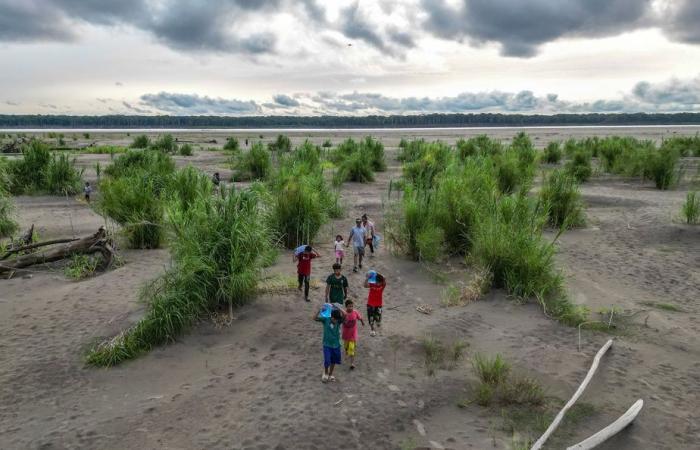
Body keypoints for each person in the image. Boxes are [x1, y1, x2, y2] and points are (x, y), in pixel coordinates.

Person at [314, 305, 345, 383]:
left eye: (336, 319)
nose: (335, 321)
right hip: (327, 344)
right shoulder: (326, 320)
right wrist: (319, 310)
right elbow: (314, 318)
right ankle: (326, 373)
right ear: (331, 317)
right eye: (334, 319)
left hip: (336, 345)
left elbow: (345, 315)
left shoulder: (338, 321)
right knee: (327, 360)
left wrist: (338, 308)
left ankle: (331, 374)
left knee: (333, 360)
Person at [341, 299, 364, 370]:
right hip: (345, 334)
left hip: (353, 335)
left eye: (351, 306)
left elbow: (360, 318)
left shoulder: (355, 312)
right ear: (346, 307)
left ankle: (352, 363)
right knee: (346, 347)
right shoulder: (344, 314)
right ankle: (347, 351)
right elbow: (340, 320)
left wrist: (362, 322)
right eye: (349, 306)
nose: (350, 308)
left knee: (352, 348)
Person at [364, 270, 386, 337]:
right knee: (370, 318)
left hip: (379, 304)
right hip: (370, 303)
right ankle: (372, 329)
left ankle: (377, 321)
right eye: (376, 282)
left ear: (381, 282)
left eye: (379, 282)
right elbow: (365, 285)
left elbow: (384, 278)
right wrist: (367, 278)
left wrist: (376, 273)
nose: (377, 284)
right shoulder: (372, 284)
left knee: (378, 318)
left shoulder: (383, 285)